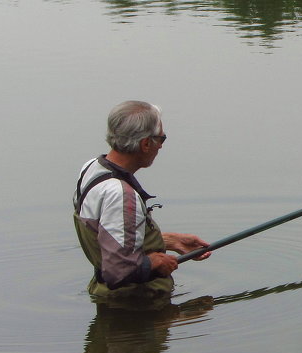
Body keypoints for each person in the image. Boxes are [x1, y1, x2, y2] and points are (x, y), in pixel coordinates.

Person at [73, 101, 210, 303]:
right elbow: (119, 271)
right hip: (136, 303)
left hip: (108, 298)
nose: (162, 145)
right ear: (146, 144)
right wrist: (153, 263)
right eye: (161, 138)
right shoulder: (121, 195)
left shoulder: (92, 168)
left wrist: (170, 241)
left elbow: (106, 239)